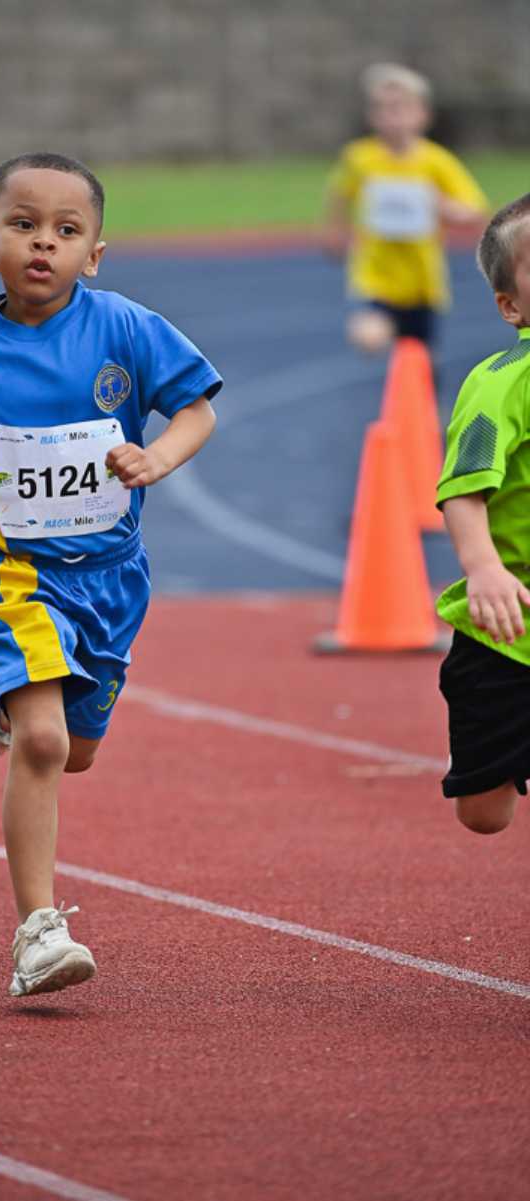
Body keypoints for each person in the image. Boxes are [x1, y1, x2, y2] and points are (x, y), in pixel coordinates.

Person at [0, 152, 222, 995]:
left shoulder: (126, 329)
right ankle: (37, 930)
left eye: (66, 231)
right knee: (42, 742)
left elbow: (197, 409)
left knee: (76, 753)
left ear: (94, 254)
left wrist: (157, 458)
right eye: (24, 225)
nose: (43, 243)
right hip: (18, 575)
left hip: (113, 579)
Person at [436, 192, 530, 835]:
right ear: (511, 305)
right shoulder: (501, 383)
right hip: (510, 629)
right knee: (485, 814)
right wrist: (485, 569)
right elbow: (464, 490)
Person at [324, 63, 488, 354]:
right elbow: (340, 193)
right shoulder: (360, 158)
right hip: (375, 276)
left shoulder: (436, 162)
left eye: (399, 108)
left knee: (419, 359)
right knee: (369, 335)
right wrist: (335, 231)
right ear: (371, 115)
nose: (391, 118)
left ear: (423, 114)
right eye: (382, 109)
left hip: (422, 282)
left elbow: (474, 211)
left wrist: (443, 206)